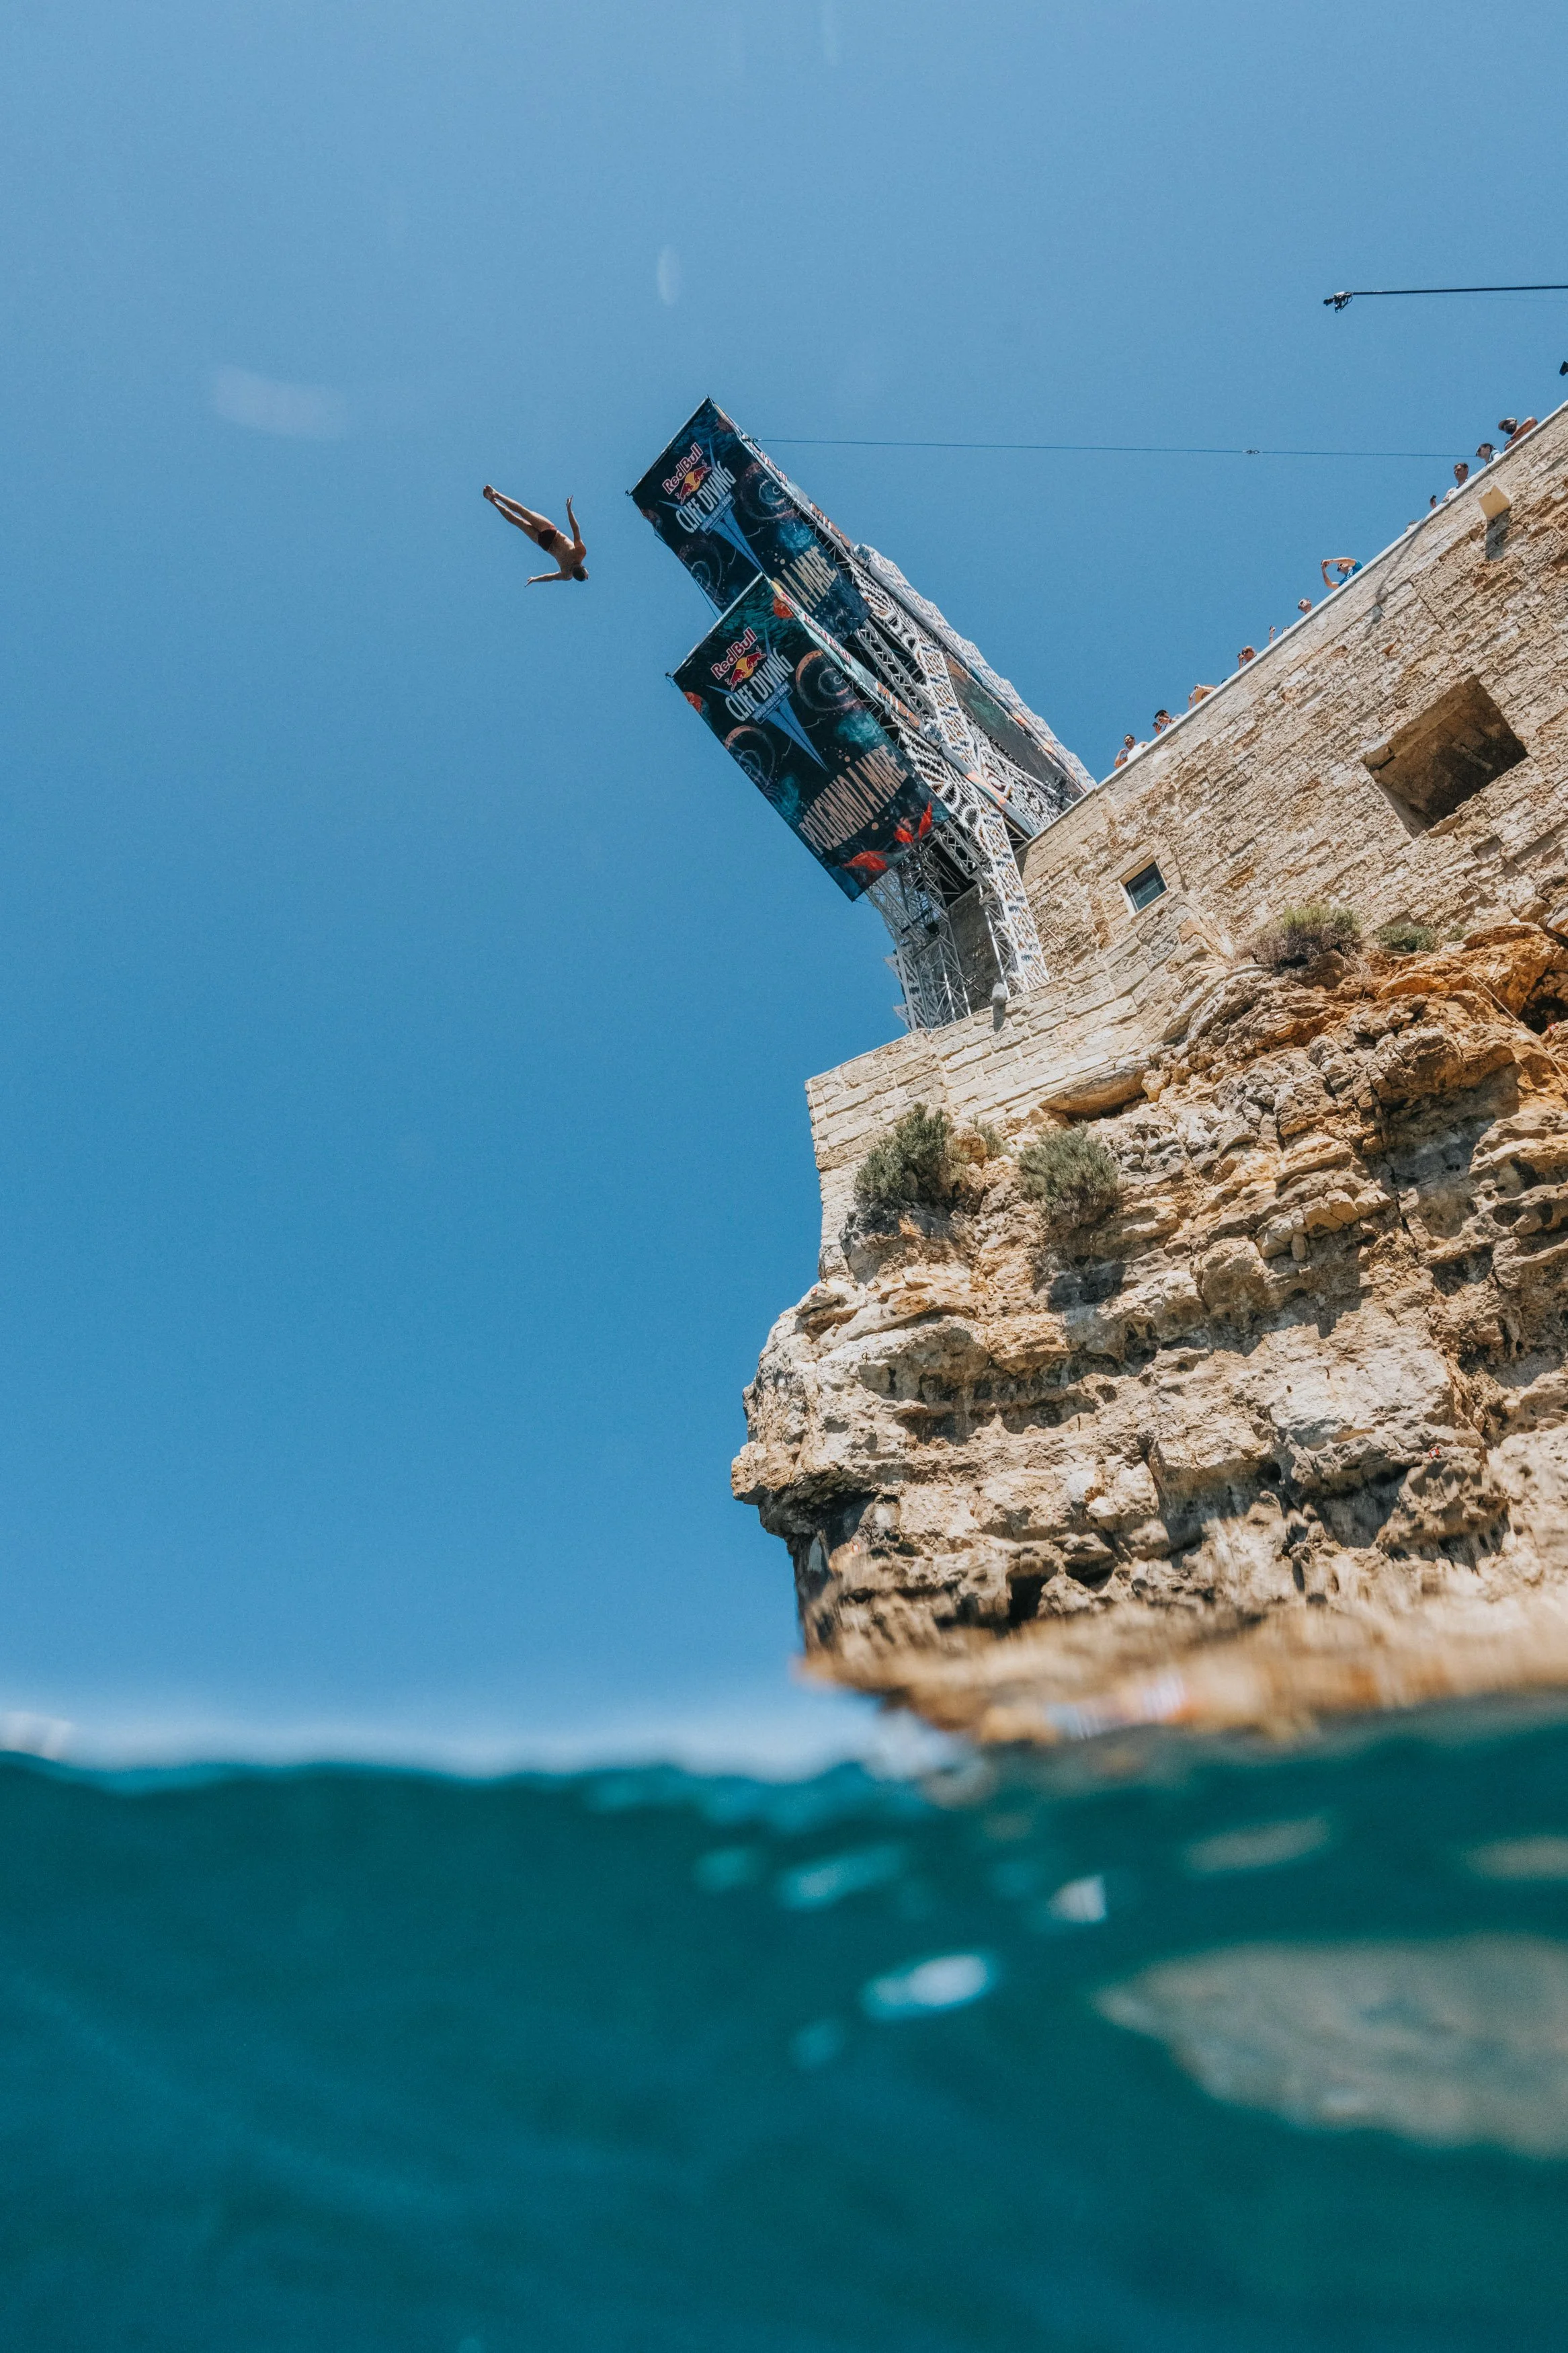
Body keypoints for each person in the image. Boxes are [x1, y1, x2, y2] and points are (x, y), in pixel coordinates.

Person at [483, 485, 589, 582]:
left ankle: (496, 496)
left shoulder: (580, 554)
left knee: (523, 512)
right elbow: (550, 578)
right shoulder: (567, 574)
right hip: (545, 544)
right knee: (518, 521)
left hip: (551, 534)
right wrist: (535, 579)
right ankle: (494, 500)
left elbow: (575, 529)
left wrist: (569, 510)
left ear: (583, 569)